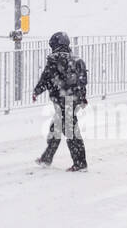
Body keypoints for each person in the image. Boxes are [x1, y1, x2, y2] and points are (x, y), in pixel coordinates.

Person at [32, 31, 88, 171]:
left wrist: (37, 91)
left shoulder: (53, 60)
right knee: (57, 128)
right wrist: (82, 97)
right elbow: (82, 81)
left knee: (70, 132)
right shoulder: (77, 60)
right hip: (72, 100)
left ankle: (80, 163)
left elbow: (46, 79)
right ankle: (47, 158)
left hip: (61, 99)